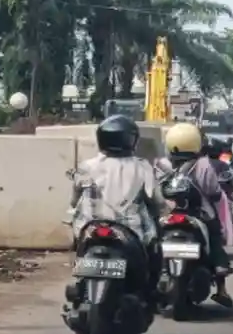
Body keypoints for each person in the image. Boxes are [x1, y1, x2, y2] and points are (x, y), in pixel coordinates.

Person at [69, 115, 166, 293]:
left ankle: (79, 286)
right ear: (132, 140)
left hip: (89, 229)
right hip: (131, 232)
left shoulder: (86, 166)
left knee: (77, 247)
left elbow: (74, 201)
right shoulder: (142, 167)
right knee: (153, 254)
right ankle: (151, 292)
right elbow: (157, 201)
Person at [164, 122, 233, 307]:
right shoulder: (203, 164)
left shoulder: (165, 164)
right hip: (201, 214)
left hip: (168, 214)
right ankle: (221, 287)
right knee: (215, 236)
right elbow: (214, 191)